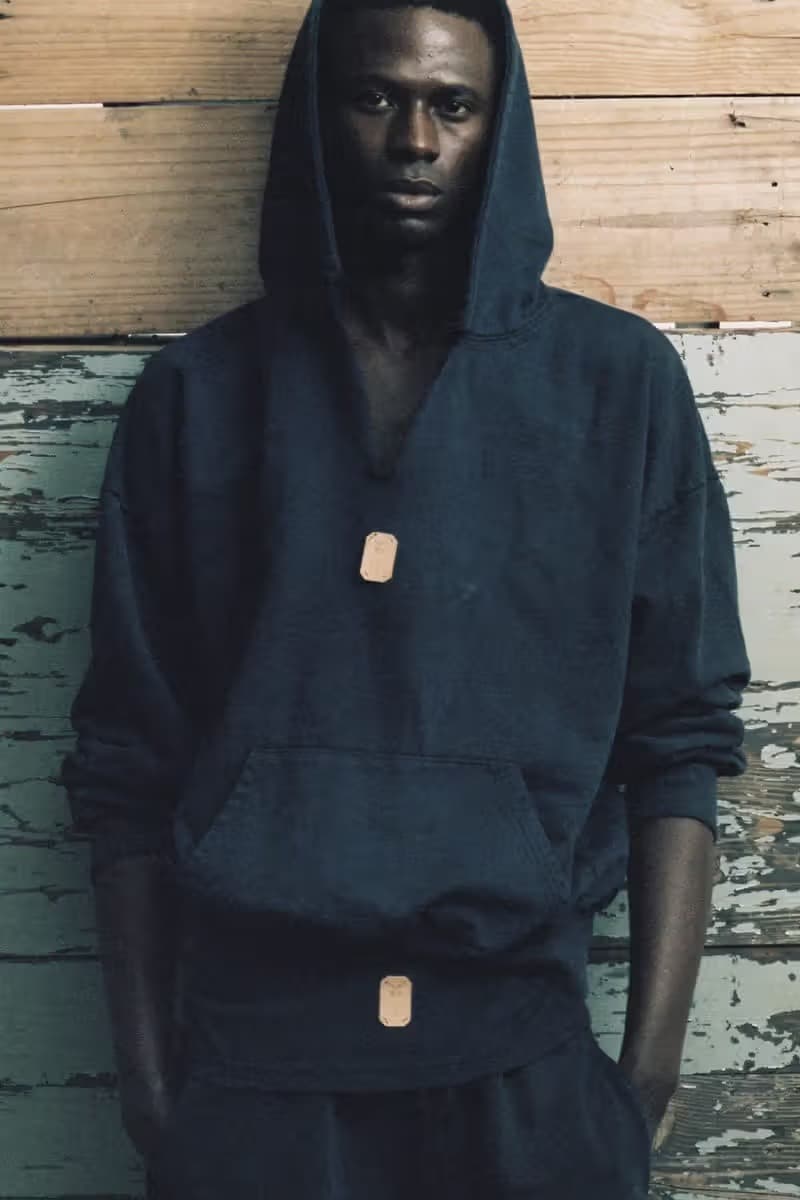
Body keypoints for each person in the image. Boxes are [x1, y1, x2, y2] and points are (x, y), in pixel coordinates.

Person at [62, 0, 751, 1195]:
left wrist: (640, 1080)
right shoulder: (198, 394)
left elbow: (678, 737)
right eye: (375, 97)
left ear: (500, 126)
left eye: (453, 105)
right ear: (315, 116)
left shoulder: (616, 384)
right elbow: (127, 757)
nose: (415, 142)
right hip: (258, 1077)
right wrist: (148, 1087)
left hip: (523, 1068)